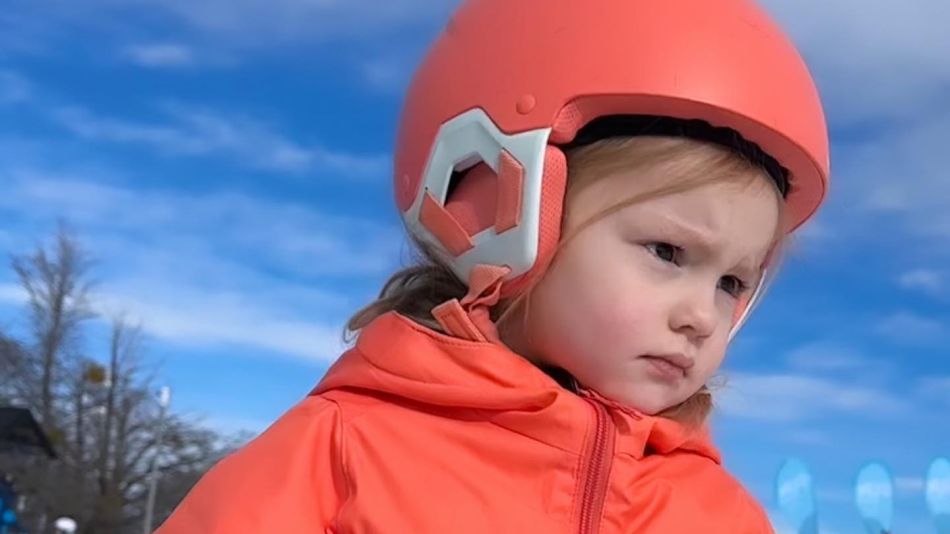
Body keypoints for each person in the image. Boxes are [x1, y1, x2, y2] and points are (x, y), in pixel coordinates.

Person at [157, 0, 830, 532]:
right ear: (499, 205)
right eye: (667, 252)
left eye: (732, 284)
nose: (700, 316)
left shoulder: (718, 512)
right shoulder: (344, 453)